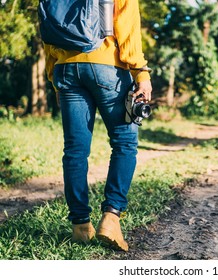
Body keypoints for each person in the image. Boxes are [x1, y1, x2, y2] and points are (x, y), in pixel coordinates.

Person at [43, 0, 152, 251]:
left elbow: (49, 30)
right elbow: (127, 28)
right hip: (107, 66)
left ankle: (80, 226)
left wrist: (54, 77)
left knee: (75, 150)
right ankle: (111, 218)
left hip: (65, 69)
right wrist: (141, 73)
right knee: (124, 142)